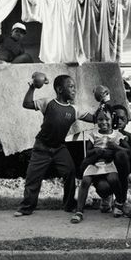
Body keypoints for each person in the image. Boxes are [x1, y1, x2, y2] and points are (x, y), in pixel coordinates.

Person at [14, 73, 93, 217]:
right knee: (33, 178)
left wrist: (104, 105)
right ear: (60, 89)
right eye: (70, 86)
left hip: (59, 148)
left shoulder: (74, 110)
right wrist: (32, 87)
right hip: (42, 147)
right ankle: (26, 207)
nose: (74, 90)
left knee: (70, 172)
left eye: (74, 87)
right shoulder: (48, 102)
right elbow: (26, 103)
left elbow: (94, 118)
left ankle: (69, 204)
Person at [71, 104, 131, 223]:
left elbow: (128, 151)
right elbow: (88, 152)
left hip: (108, 164)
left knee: (114, 179)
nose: (104, 122)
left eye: (107, 119)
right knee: (85, 181)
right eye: (100, 119)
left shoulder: (117, 135)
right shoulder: (93, 134)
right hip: (94, 163)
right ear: (96, 121)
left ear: (112, 119)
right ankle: (79, 211)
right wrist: (96, 151)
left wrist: (115, 147)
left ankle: (119, 203)